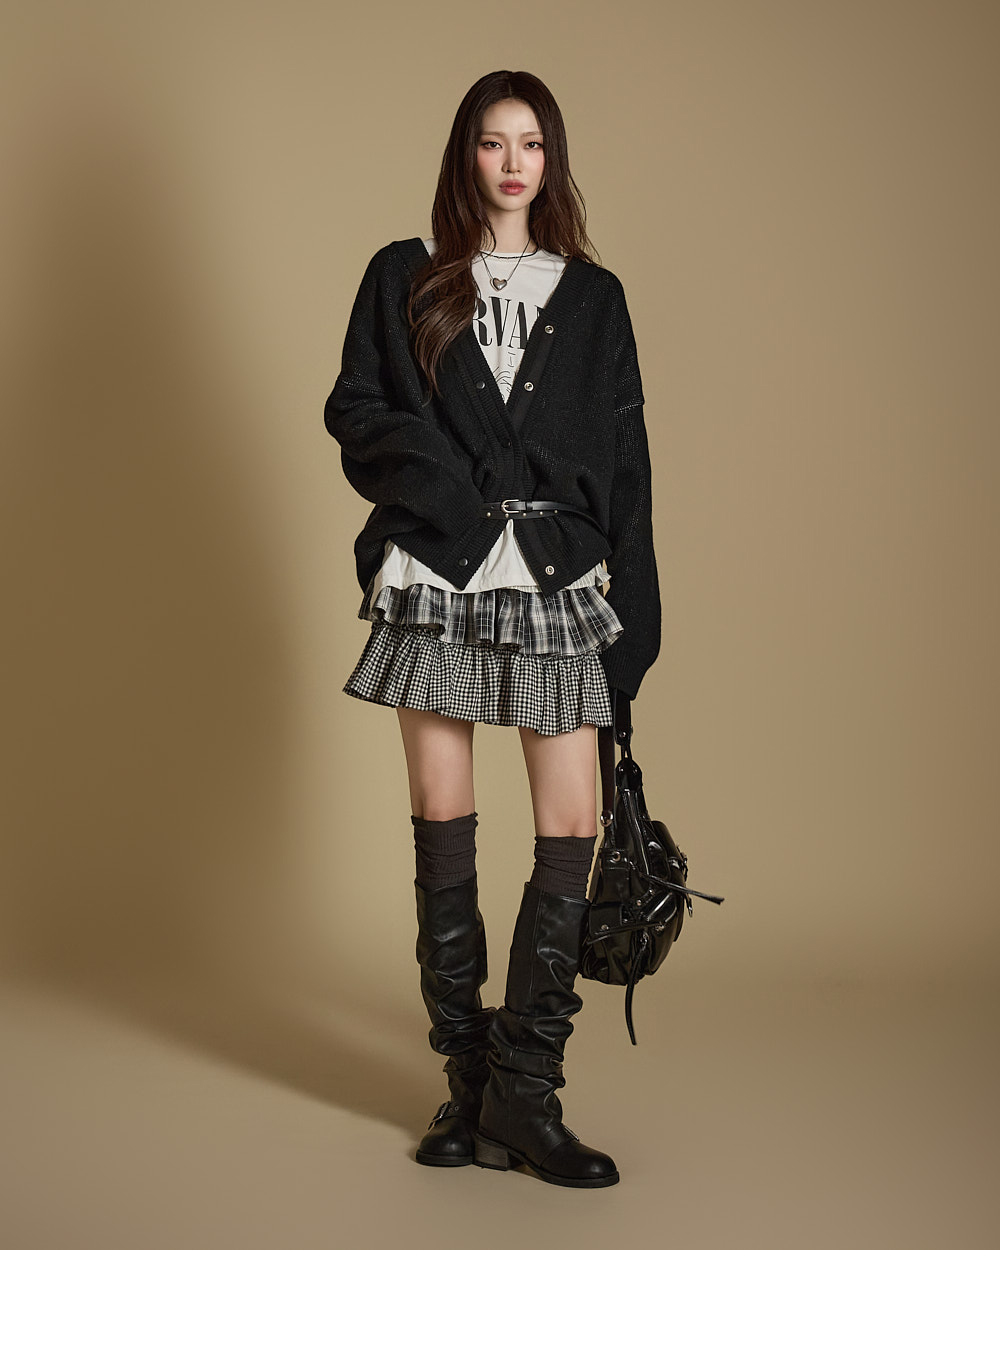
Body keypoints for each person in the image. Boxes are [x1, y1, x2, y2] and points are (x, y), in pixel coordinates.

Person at [324, 70, 660, 1188]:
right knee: (443, 817)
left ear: (551, 161)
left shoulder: (594, 299)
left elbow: (626, 463)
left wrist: (636, 627)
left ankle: (527, 1092)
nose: (513, 163)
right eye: (491, 142)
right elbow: (357, 410)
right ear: (463, 156)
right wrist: (453, 500)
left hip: (557, 579)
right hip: (438, 572)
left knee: (571, 822)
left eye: (531, 144)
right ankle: (467, 1088)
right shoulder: (406, 276)